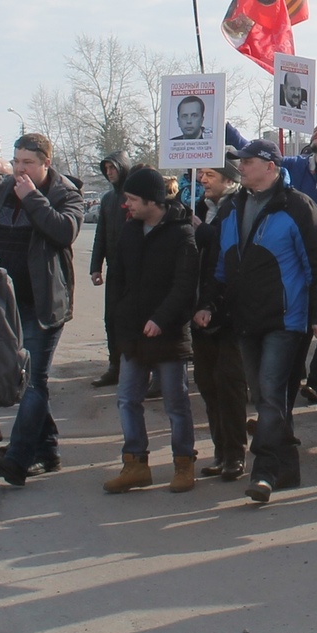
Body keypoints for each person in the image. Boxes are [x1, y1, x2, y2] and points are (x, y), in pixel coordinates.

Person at [198, 140, 317, 504]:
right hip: (244, 318)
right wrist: (208, 302)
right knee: (262, 395)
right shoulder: (233, 207)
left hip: (286, 319)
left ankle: (265, 471)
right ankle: (287, 466)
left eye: (249, 161)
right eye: (240, 161)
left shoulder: (298, 207)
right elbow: (221, 263)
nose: (240, 166)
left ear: (270, 166)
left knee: (271, 392)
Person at [225, 119, 317, 431]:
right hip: (297, 277)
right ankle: (280, 423)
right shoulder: (294, 166)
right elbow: (253, 149)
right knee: (292, 354)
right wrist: (222, 125)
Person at [0, 134, 85, 488]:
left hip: (42, 304)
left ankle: (20, 459)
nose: (19, 169)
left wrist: (32, 199)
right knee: (23, 381)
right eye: (16, 161)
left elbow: (63, 231)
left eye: (27, 163)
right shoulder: (1, 191)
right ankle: (47, 448)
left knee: (34, 380)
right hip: (3, 304)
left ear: (45, 164)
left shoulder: (63, 193)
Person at [100, 167, 200, 494]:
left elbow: (185, 286)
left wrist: (161, 318)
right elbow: (118, 279)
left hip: (168, 335)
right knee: (127, 399)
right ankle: (134, 464)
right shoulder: (130, 232)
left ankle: (184, 464)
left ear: (151, 201)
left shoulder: (181, 233)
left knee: (175, 401)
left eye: (130, 199)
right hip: (132, 333)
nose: (124, 205)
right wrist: (116, 322)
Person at [188, 165, 248, 480]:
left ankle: (235, 453)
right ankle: (220, 450)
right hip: (199, 310)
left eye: (210, 175)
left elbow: (232, 259)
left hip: (229, 312)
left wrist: (206, 234)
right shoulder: (199, 209)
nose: (203, 180)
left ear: (230, 180)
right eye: (202, 174)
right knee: (208, 383)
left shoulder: (238, 209)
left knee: (230, 384)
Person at [86, 153, 130, 388]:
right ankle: (115, 365)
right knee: (111, 319)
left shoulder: (133, 197)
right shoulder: (107, 200)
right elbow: (100, 235)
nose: (110, 172)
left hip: (133, 271)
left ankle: (135, 367)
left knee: (130, 321)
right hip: (114, 270)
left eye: (112, 167)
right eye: (106, 168)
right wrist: (96, 267)